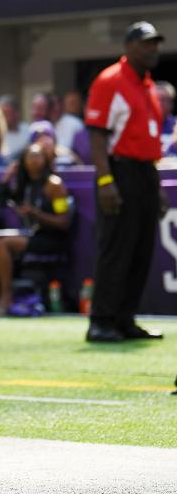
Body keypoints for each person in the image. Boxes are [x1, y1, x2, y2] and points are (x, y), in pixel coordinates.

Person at [84, 21, 167, 343]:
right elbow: (97, 135)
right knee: (117, 249)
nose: (153, 49)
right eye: (146, 43)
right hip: (119, 171)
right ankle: (101, 321)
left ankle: (124, 319)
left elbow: (147, 141)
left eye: (156, 43)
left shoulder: (147, 85)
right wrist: (105, 180)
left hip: (145, 172)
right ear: (129, 46)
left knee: (141, 250)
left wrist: (156, 186)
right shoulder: (110, 81)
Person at [0, 143, 72, 316]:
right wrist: (7, 177)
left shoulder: (54, 185)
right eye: (29, 156)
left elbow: (64, 222)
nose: (34, 160)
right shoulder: (24, 185)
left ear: (46, 160)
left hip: (51, 238)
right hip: (31, 235)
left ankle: (6, 297)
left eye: (38, 156)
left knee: (1, 243)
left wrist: (35, 214)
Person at [0, 94, 28, 159]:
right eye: (0, 114)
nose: (2, 117)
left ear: (16, 113)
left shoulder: (28, 130)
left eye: (6, 113)